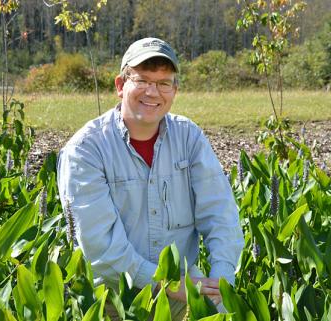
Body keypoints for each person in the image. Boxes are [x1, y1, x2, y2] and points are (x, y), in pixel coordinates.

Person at [57, 37, 244, 320]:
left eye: (163, 83)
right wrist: (164, 284)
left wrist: (221, 280)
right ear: (120, 85)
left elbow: (221, 214)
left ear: (175, 90)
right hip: (114, 299)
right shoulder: (85, 150)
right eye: (142, 80)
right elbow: (102, 246)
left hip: (185, 292)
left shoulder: (189, 137)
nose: (153, 92)